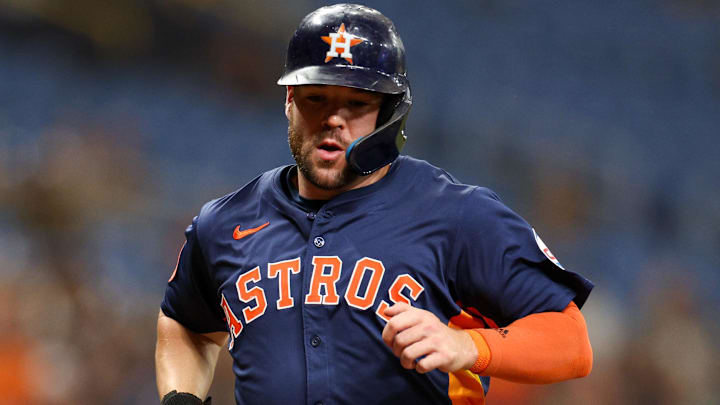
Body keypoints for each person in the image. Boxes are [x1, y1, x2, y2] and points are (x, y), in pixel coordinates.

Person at [155, 4, 594, 405]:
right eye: (316, 98)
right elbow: (186, 324)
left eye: (357, 103)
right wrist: (180, 398)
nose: (333, 119)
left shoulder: (458, 215)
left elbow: (570, 342)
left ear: (389, 117)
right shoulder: (224, 222)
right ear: (289, 102)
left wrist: (468, 347)